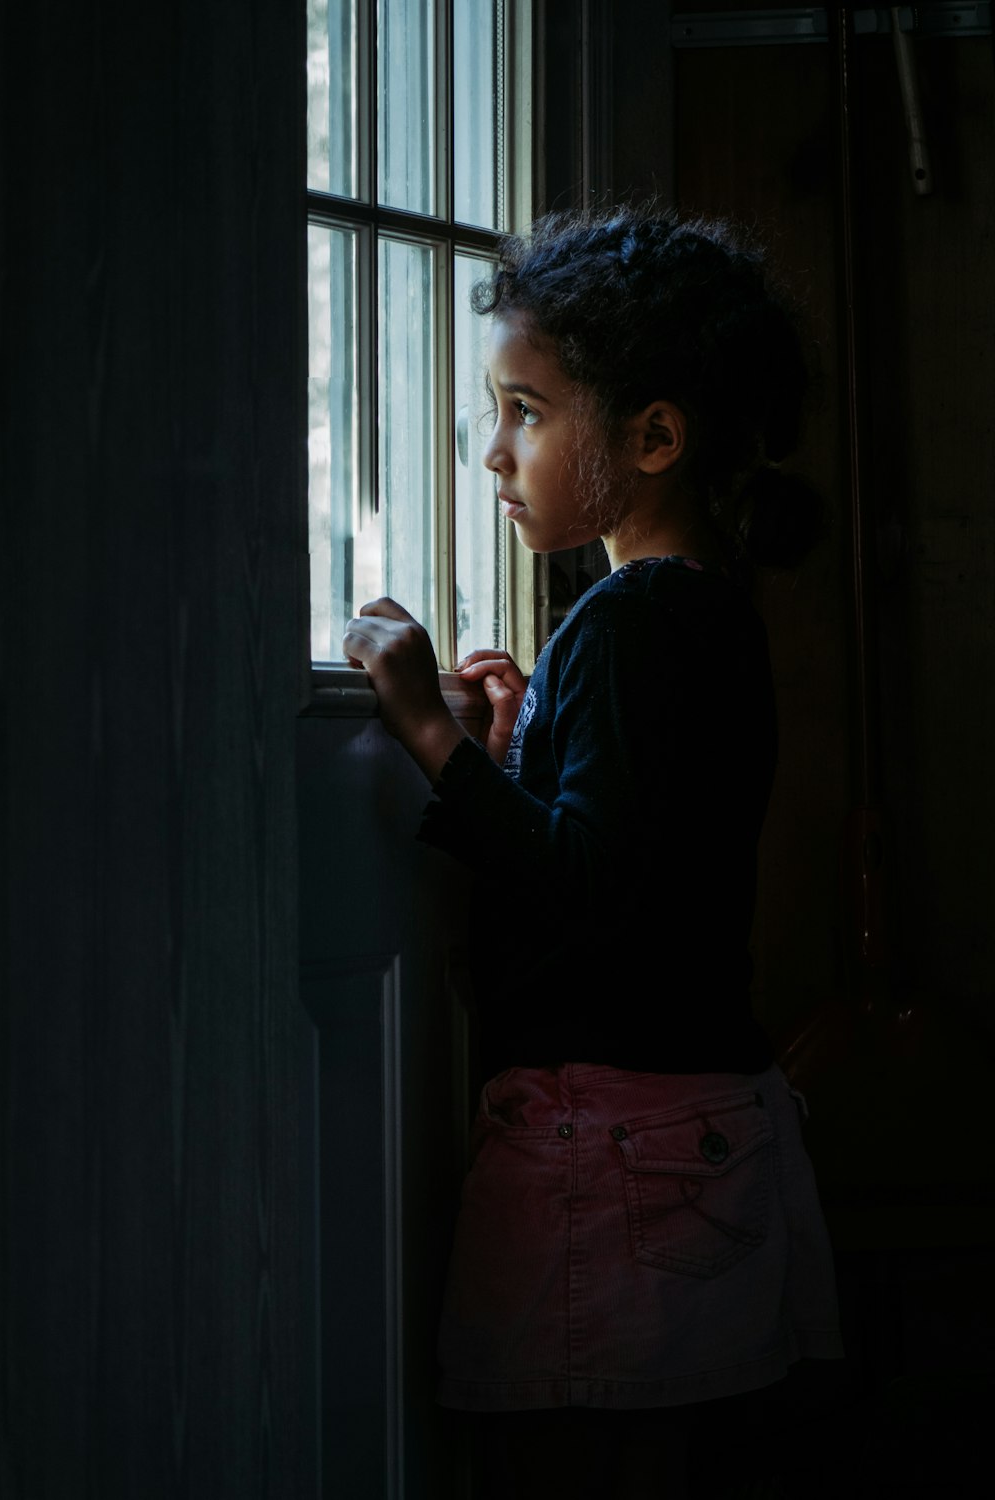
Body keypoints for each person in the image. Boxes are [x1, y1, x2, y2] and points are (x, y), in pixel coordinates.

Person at [342, 203, 844, 1499]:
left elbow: (586, 890)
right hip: (692, 1122)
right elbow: (630, 851)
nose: (492, 454)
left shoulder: (629, 620)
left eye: (526, 411)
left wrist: (424, 731)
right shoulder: (701, 613)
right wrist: (517, 749)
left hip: (617, 1152)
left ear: (654, 437)